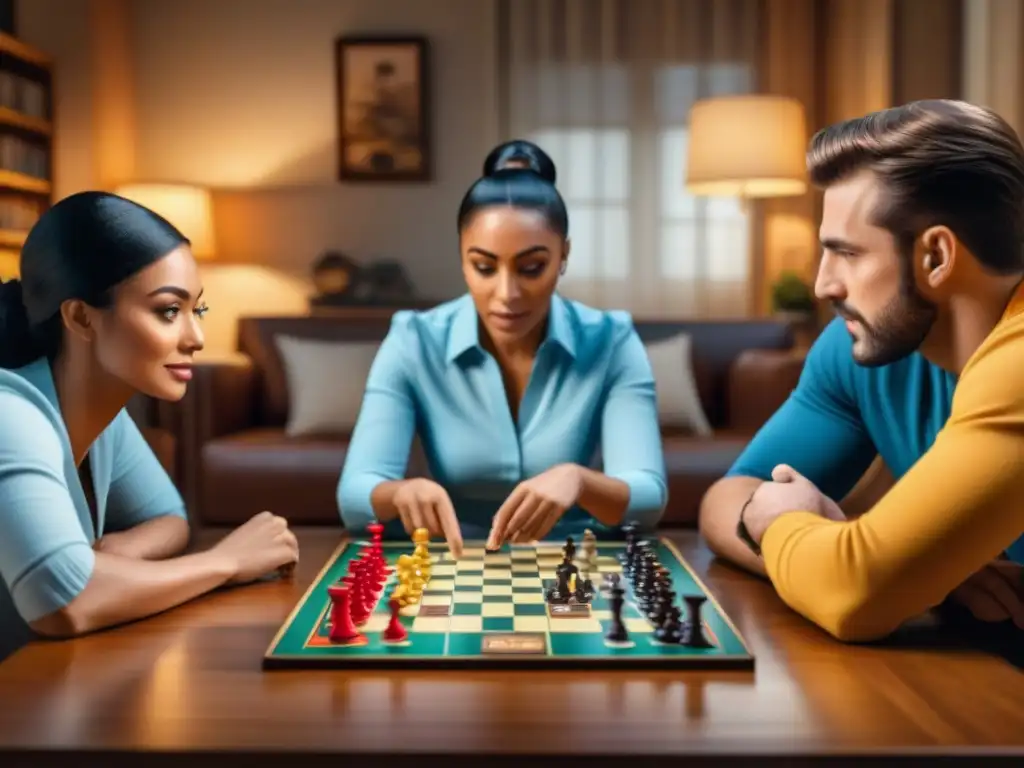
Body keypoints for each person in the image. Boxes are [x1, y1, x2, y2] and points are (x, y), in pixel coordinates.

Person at [698, 99, 1024, 642]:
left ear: (936, 258)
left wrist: (801, 536)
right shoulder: (861, 349)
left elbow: (856, 594)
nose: (824, 284)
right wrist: (904, 568)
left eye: (846, 253)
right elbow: (727, 499)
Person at [0, 191, 299, 663]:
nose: (196, 338)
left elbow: (167, 518)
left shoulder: (103, 418)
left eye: (195, 310)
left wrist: (106, 561)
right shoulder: (9, 415)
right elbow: (65, 602)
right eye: (167, 310)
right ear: (80, 317)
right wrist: (227, 561)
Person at [337, 155, 667, 557]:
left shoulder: (612, 340)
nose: (507, 294)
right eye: (483, 266)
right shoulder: (412, 339)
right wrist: (402, 491)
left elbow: (648, 497)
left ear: (564, 256)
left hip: (574, 564)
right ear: (461, 257)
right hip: (453, 563)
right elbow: (354, 496)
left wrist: (579, 479)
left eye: (531, 267)